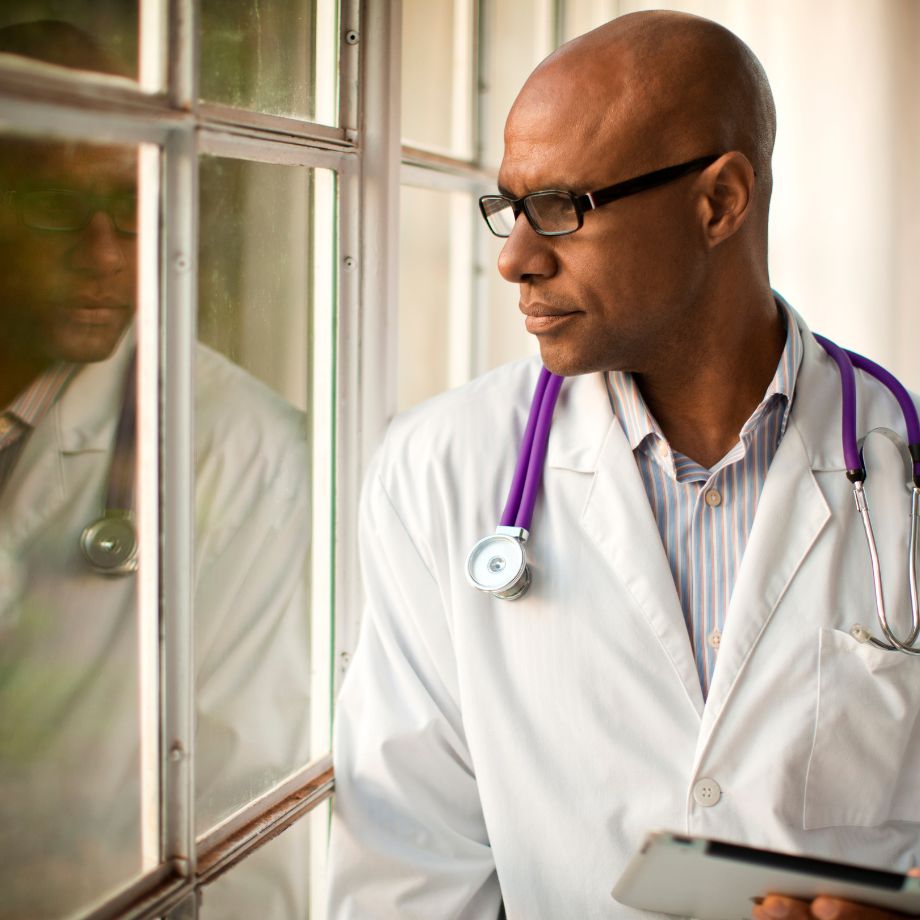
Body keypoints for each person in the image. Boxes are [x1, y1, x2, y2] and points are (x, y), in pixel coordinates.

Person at [328, 11, 920, 920]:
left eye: (563, 208)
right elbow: (405, 866)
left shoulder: (899, 471)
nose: (516, 259)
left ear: (720, 202)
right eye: (510, 209)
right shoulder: (437, 471)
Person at [0, 21, 313, 920]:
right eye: (53, 207)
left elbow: (257, 816)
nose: (105, 254)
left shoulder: (234, 448)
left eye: (133, 203)